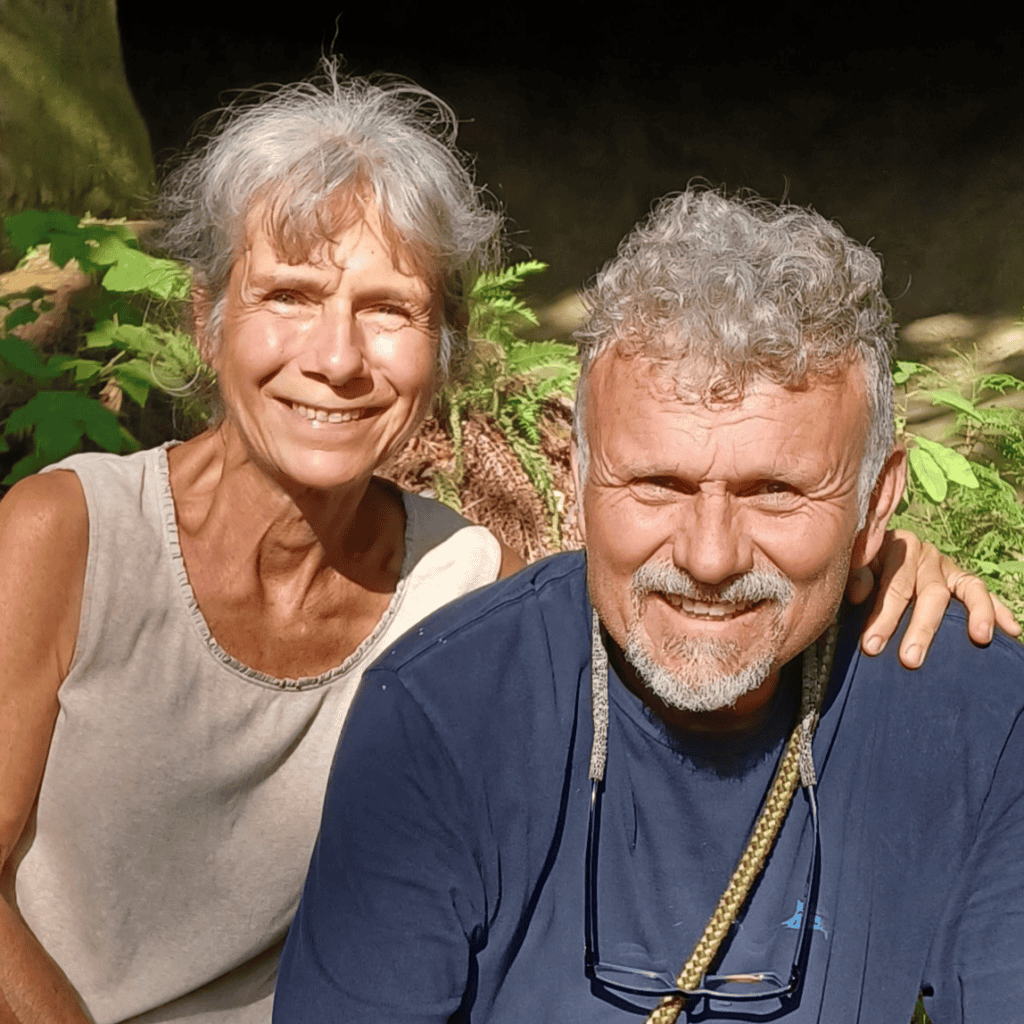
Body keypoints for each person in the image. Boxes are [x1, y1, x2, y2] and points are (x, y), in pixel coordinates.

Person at [0, 66, 1008, 1024]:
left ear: (441, 351)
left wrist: (874, 556)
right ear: (208, 319)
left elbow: (672, 586)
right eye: (289, 296)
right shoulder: (69, 533)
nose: (336, 356)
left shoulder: (458, 577)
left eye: (387, 310)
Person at [275, 187, 1024, 1024]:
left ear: (875, 501)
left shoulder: (979, 718)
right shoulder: (442, 712)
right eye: (657, 485)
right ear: (581, 476)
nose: (710, 557)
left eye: (774, 492)